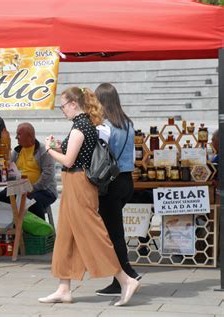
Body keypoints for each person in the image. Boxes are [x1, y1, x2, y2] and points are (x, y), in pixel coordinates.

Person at [40, 87, 139, 306]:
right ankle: (63, 288)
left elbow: (68, 160)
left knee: (93, 234)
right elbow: (75, 153)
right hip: (75, 181)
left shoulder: (80, 126)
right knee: (65, 235)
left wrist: (48, 149)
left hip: (78, 182)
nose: (62, 110)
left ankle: (125, 279)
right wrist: (57, 145)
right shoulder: (85, 125)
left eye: (63, 105)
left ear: (74, 104)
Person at [94, 83, 141, 297]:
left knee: (114, 234)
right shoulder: (128, 123)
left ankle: (127, 274)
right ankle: (120, 277)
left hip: (110, 183)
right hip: (127, 180)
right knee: (114, 232)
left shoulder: (104, 127)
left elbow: (99, 155)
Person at [0, 123, 57, 220]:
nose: (16, 137)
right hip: (20, 188)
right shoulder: (17, 151)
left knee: (32, 202)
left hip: (43, 191)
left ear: (30, 136)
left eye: (19, 134)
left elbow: (48, 175)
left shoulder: (44, 151)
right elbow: (9, 169)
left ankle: (39, 234)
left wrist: (32, 188)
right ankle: (7, 232)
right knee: (1, 197)